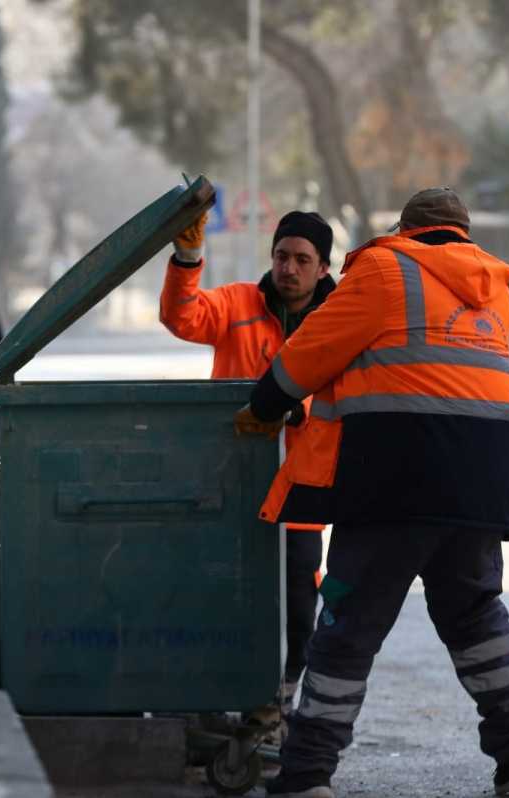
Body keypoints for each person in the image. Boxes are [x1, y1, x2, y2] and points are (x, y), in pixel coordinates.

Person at [236, 187, 509, 798]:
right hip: (486, 479)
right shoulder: (495, 285)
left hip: (398, 476)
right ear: (461, 234)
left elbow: (310, 352)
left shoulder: (385, 267)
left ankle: (305, 775)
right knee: (475, 615)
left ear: (407, 228)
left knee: (346, 626)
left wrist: (264, 402)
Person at [160, 208, 336, 719]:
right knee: (222, 596)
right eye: (282, 256)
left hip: (302, 487)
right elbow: (182, 317)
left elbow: (347, 389)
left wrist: (297, 408)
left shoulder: (341, 318)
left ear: (322, 268)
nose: (289, 268)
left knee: (300, 610)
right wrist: (188, 257)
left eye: (303, 259)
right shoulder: (238, 303)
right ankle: (216, 701)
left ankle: (276, 703)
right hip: (233, 481)